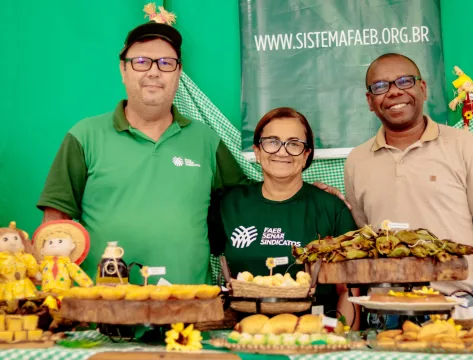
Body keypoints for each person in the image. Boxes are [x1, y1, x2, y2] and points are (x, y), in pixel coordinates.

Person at [37, 11, 346, 286]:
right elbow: (54, 225)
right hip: (104, 306)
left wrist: (309, 195)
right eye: (142, 61)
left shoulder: (205, 140)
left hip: (191, 308)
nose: (154, 72)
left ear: (178, 72)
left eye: (166, 63)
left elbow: (253, 200)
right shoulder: (85, 135)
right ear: (124, 69)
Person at [344, 53, 473, 311]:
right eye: (380, 86)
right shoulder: (356, 160)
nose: (394, 92)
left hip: (457, 305)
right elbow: (366, 237)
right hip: (384, 309)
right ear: (370, 101)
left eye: (404, 81)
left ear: (422, 89)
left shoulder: (465, 146)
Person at [213, 107, 360, 327]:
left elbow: (349, 293)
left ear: (306, 154)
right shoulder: (229, 204)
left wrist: (340, 342)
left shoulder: (331, 208)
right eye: (272, 141)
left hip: (315, 338)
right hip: (243, 335)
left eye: (294, 144)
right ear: (257, 151)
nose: (282, 152)